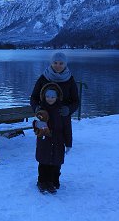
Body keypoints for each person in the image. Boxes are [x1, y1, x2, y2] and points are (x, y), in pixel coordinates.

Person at [30, 52, 79, 193]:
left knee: (57, 154)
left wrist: (68, 109)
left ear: (65, 64)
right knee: (44, 152)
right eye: (55, 63)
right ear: (51, 63)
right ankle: (42, 181)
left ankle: (54, 181)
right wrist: (38, 108)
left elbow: (76, 101)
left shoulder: (69, 79)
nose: (58, 65)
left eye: (61, 63)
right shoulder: (44, 77)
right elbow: (33, 98)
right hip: (44, 119)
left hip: (61, 118)